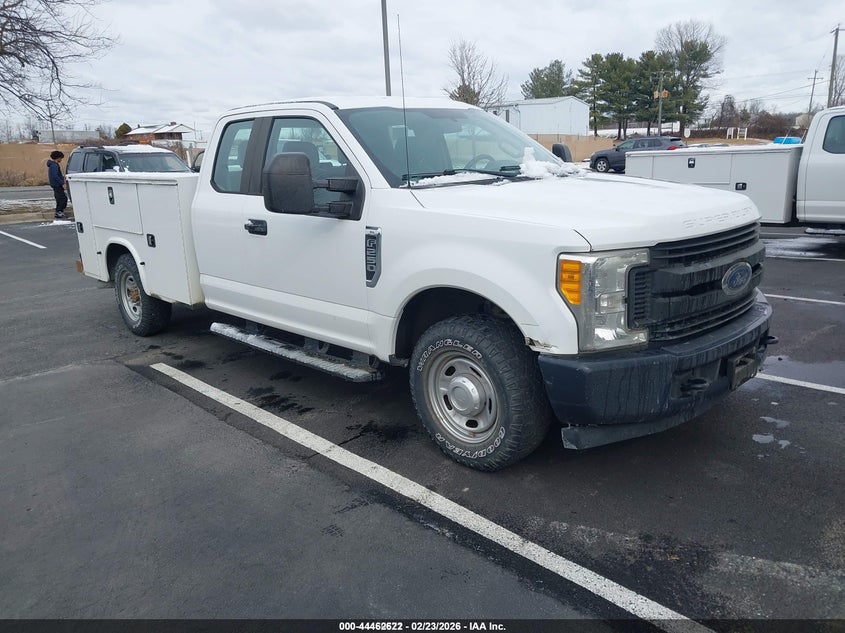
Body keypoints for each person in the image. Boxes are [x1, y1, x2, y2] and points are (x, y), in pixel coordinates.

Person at [47, 150, 68, 219]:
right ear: (57, 158)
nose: (61, 160)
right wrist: (62, 183)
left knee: (60, 199)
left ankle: (59, 211)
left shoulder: (53, 165)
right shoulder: (54, 166)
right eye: (61, 158)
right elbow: (55, 176)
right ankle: (59, 212)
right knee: (62, 199)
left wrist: (62, 177)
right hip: (57, 185)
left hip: (56, 184)